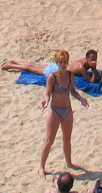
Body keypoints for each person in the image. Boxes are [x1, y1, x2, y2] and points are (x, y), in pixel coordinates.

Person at [39, 49, 89, 177]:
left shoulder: (70, 75)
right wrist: (45, 101)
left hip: (67, 110)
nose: (63, 65)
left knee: (67, 139)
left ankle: (69, 163)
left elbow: (73, 91)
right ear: (57, 63)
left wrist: (81, 99)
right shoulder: (52, 77)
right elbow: (47, 92)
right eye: (61, 62)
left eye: (65, 62)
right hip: (54, 110)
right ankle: (41, 167)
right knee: (49, 140)